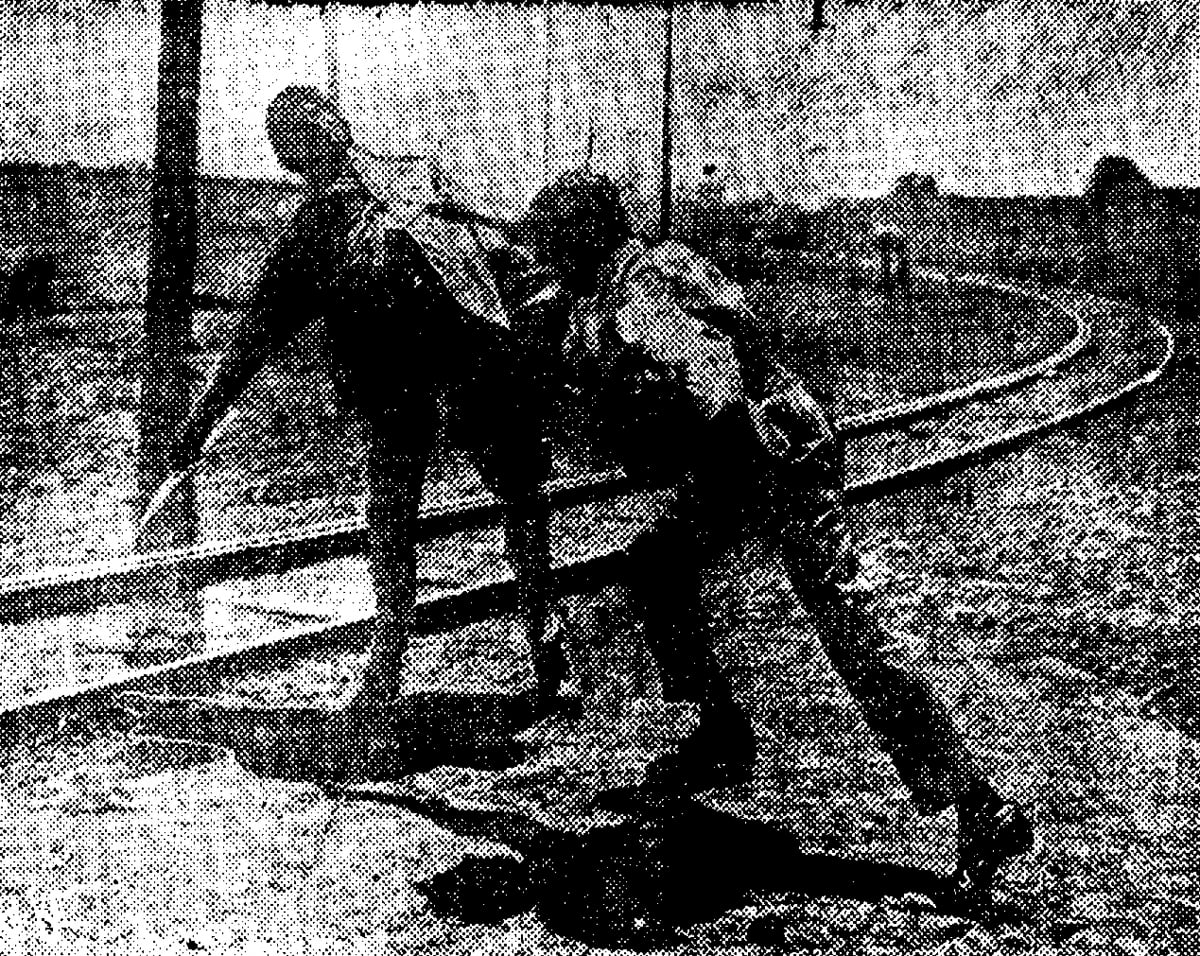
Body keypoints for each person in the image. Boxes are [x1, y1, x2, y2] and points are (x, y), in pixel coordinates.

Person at [520, 169, 1034, 901]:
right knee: (658, 568)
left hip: (772, 456)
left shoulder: (637, 296)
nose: (548, 264)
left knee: (851, 628)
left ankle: (981, 805)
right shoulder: (642, 267)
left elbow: (706, 387)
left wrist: (632, 413)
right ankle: (721, 728)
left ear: (581, 243)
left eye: (554, 248)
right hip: (747, 453)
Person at [169, 86, 559, 711]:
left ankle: (427, 658)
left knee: (436, 505)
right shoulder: (391, 194)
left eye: (294, 139)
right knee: (478, 500)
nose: (298, 151)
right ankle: (504, 640)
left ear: (300, 148)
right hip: (442, 369)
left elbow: (251, 342)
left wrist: (193, 433)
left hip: (436, 365)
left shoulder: (346, 215)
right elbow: (255, 338)